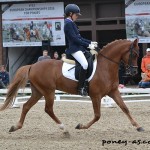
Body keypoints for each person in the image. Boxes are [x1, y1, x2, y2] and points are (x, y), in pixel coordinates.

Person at [64, 4, 97, 96]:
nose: (77, 16)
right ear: (70, 14)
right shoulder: (68, 24)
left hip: (79, 48)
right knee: (85, 64)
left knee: (91, 58)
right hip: (74, 49)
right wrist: (88, 45)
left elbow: (80, 37)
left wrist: (91, 42)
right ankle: (81, 88)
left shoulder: (72, 23)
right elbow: (75, 39)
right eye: (76, 15)